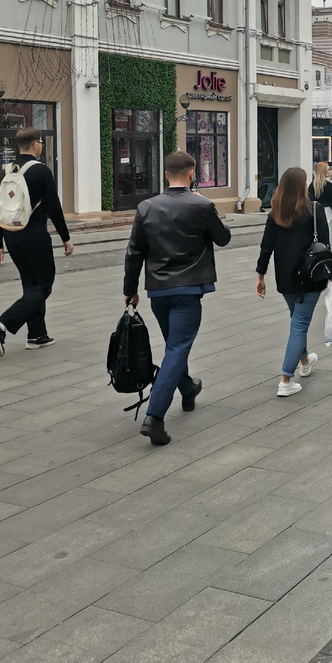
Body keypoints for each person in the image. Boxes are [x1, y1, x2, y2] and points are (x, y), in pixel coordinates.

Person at [122, 151, 230, 444]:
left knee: (174, 347)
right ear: (192, 174)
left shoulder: (146, 207)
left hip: (158, 290)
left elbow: (134, 252)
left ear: (166, 174)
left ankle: (188, 388)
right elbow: (223, 238)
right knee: (177, 349)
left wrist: (129, 290)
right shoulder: (202, 205)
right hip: (189, 290)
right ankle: (154, 417)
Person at [0, 127, 74, 357]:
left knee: (30, 284)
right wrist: (66, 238)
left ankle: (37, 335)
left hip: (11, 235)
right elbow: (54, 207)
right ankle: (2, 325)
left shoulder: (5, 172)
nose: (41, 147)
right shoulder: (41, 171)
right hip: (34, 234)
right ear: (35, 145)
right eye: (41, 144)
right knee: (44, 285)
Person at [256, 167, 331, 397]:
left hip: (285, 278)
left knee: (297, 319)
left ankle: (305, 360)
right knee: (299, 324)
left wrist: (260, 276)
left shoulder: (275, 213)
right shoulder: (314, 210)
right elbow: (325, 246)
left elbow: (266, 247)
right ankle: (285, 379)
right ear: (302, 186)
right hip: (309, 277)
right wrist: (330, 275)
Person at [309, 161, 332, 236]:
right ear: (324, 172)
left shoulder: (312, 186)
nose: (329, 172)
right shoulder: (329, 186)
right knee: (328, 233)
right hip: (327, 211)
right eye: (328, 170)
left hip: (314, 212)